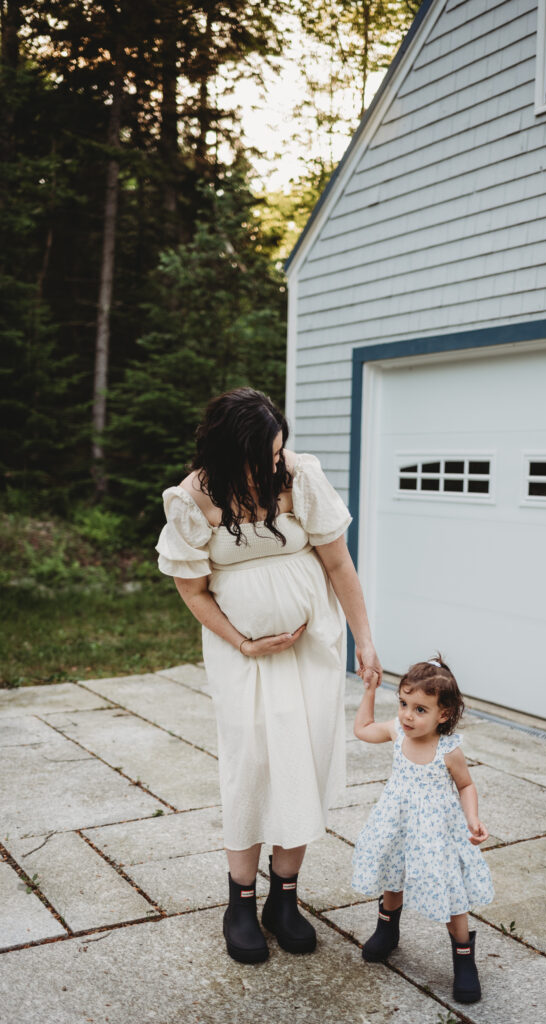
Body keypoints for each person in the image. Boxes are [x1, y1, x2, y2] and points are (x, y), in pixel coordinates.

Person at [156, 387, 382, 965]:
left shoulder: (299, 478)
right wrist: (244, 642)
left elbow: (338, 562)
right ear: (232, 454)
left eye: (280, 450)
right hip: (243, 656)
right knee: (252, 762)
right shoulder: (192, 500)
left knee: (303, 757)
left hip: (312, 648)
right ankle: (241, 901)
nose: (278, 462)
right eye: (267, 454)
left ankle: (285, 899)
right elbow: (193, 591)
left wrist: (364, 639)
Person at [351, 656, 493, 1004]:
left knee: (450, 893)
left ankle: (463, 958)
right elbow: (363, 728)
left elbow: (466, 785)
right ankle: (387, 930)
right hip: (397, 825)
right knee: (392, 875)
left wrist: (472, 818)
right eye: (403, 704)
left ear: (443, 715)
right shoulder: (396, 733)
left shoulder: (448, 750)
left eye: (419, 709)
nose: (407, 715)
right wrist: (369, 690)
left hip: (436, 836)